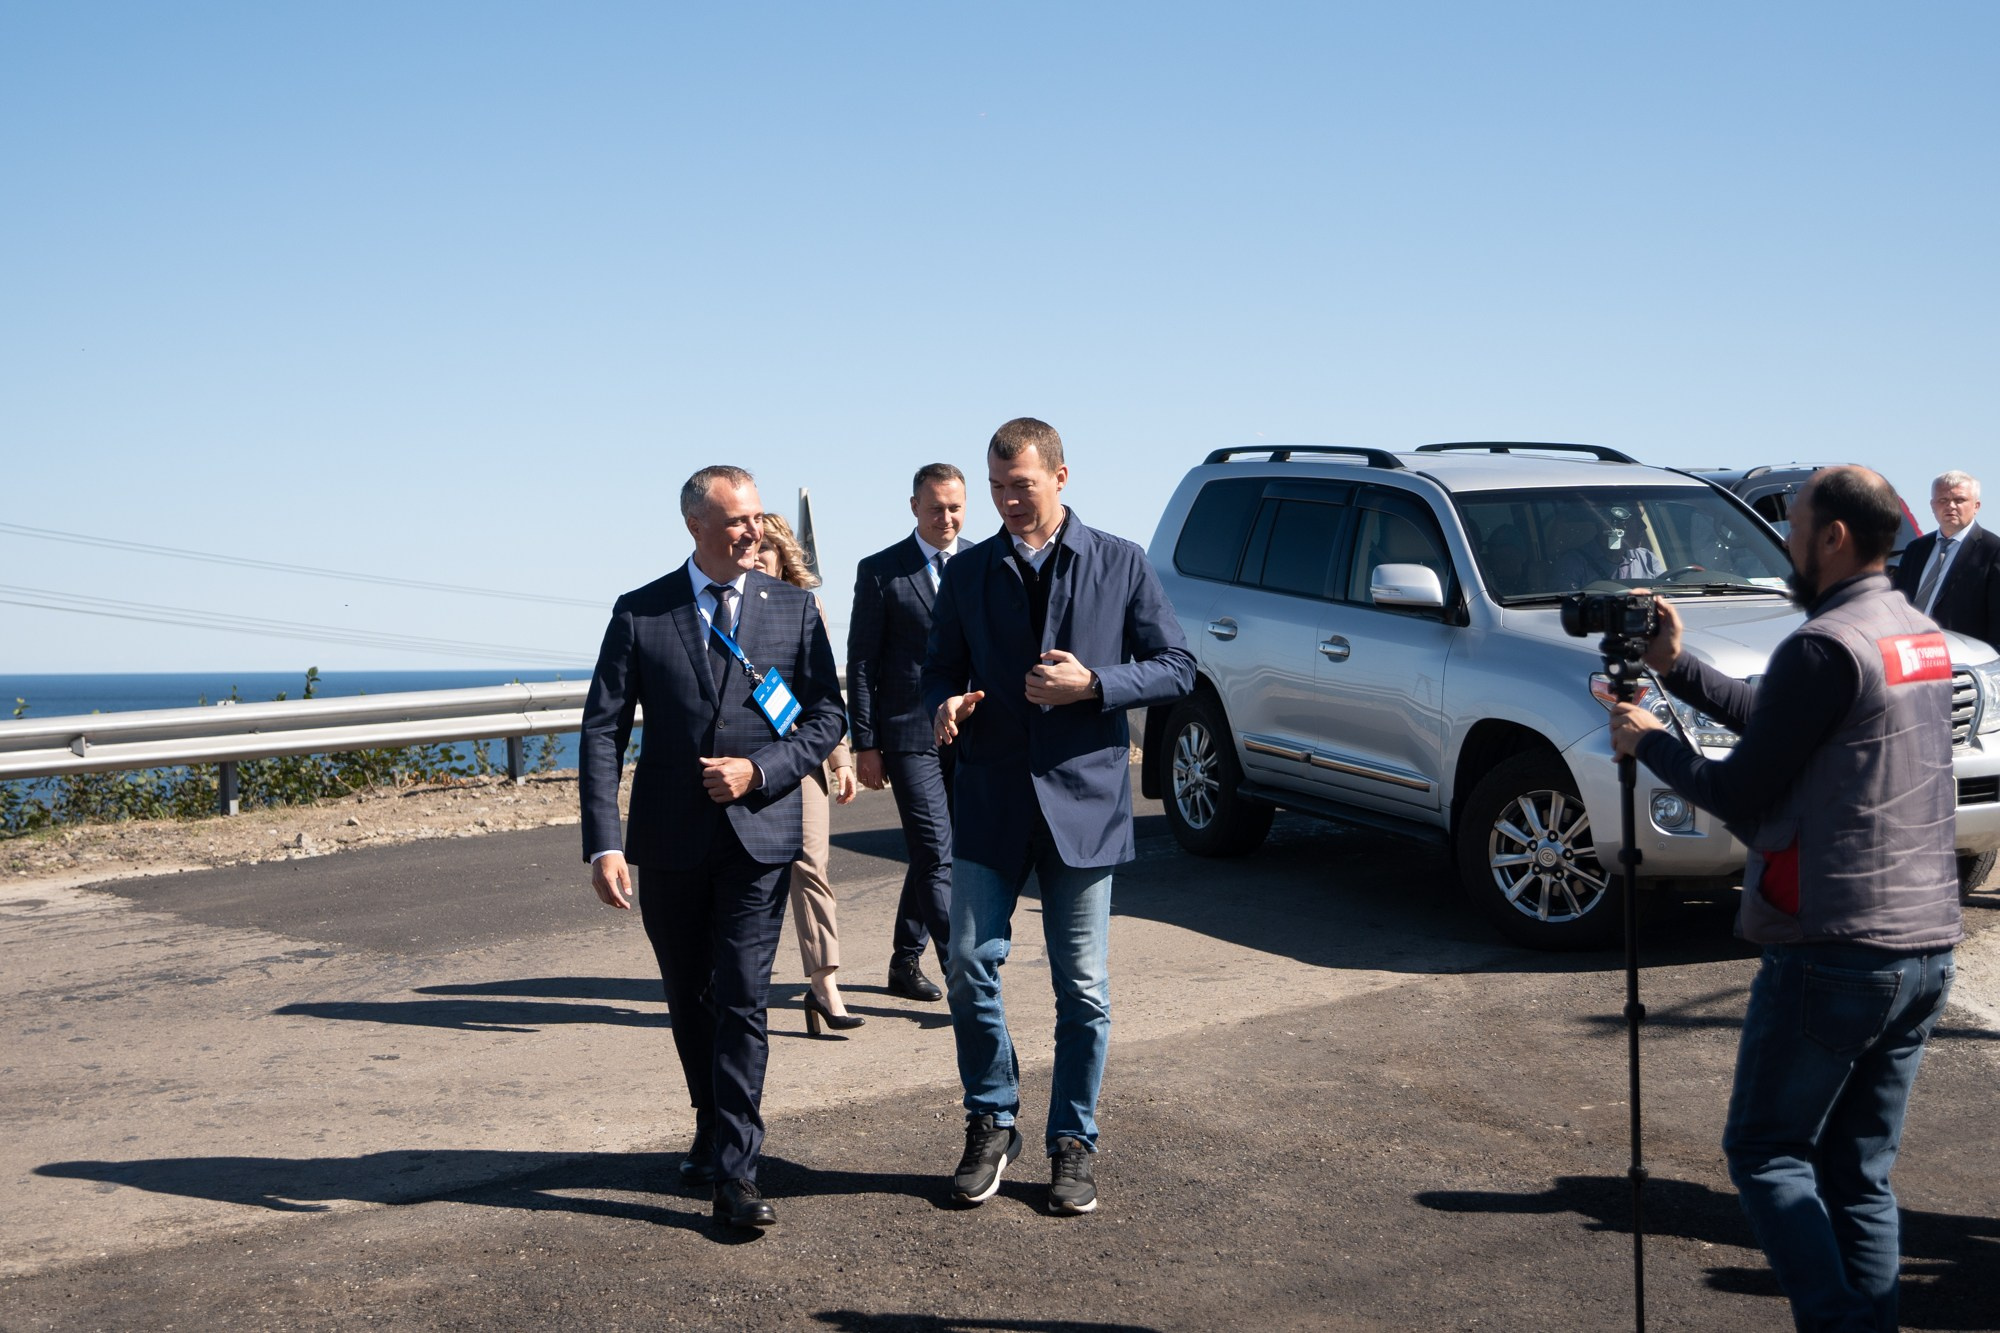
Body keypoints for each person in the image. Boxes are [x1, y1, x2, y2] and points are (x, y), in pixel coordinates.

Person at [1610, 465, 1960, 1331]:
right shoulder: (1915, 632)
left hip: (1837, 942)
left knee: (1766, 1151)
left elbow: (1743, 792)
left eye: (1796, 525)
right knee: (1858, 1171)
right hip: (1924, 945)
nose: (1789, 542)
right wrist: (1673, 667)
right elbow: (1774, 714)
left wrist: (1648, 743)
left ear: (1833, 536)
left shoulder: (1821, 644)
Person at [924, 417, 1195, 1216]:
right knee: (969, 965)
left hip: (1084, 804)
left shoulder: (1121, 562)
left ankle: (1072, 1141)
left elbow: (1179, 667)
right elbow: (938, 665)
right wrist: (943, 700)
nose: (1009, 500)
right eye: (999, 487)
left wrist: (1095, 685)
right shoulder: (967, 573)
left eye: (1024, 486)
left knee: (1083, 989)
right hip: (991, 798)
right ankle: (991, 1119)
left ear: (1062, 478)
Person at [578, 465, 846, 1231]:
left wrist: (761, 769)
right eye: (736, 520)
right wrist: (604, 842)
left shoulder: (791, 609)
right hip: (666, 840)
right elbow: (602, 731)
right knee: (690, 999)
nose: (753, 531)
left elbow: (825, 717)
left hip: (759, 838)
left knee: (742, 997)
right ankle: (710, 1116)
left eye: (757, 517)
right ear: (696, 526)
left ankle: (736, 1172)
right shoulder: (642, 611)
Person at [847, 463, 968, 1003]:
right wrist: (865, 744)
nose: (947, 517)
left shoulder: (986, 562)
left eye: (956, 507)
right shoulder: (880, 571)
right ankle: (966, 976)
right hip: (906, 733)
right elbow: (863, 664)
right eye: (936, 507)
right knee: (935, 850)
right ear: (914, 507)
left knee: (938, 854)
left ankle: (904, 961)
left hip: (971, 734)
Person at [754, 512, 864, 1036]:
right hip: (740, 763)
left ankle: (824, 985)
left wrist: (840, 759)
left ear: (781, 559)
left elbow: (824, 695)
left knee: (810, 866)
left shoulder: (806, 609)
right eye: (747, 550)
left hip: (803, 758)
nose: (753, 561)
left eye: (763, 553)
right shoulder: (714, 609)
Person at [1890, 469, 2000, 650]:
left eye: (1959, 500)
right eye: (1943, 500)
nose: (1951, 506)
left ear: (1976, 506)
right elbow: (1899, 603)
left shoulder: (1993, 550)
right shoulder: (1916, 549)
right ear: (1932, 506)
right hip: (1908, 653)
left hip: (1960, 659)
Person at [1550, 503, 1664, 587]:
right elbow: (1566, 611)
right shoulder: (1574, 564)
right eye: (1636, 519)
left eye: (1641, 519)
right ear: (1611, 526)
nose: (1643, 526)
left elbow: (1669, 596)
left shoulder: (1647, 559)